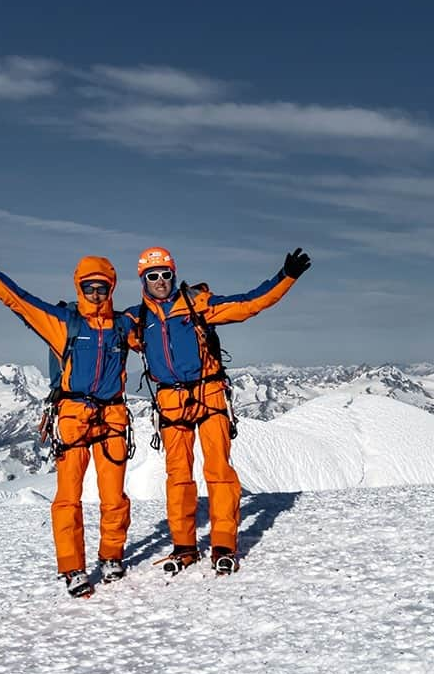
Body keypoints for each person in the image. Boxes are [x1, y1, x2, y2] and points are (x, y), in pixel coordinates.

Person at [0, 223, 132, 599]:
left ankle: (112, 556)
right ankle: (73, 568)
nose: (95, 293)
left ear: (111, 289)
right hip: (72, 416)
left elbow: (169, 326)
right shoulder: (63, 323)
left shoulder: (124, 325)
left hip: (112, 417)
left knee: (114, 498)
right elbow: (14, 297)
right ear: (78, 287)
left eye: (102, 287)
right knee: (68, 499)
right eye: (88, 287)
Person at [124, 245, 311, 575]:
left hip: (209, 397)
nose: (161, 281)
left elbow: (249, 304)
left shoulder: (199, 305)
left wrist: (285, 277)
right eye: (153, 275)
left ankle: (223, 543)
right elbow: (97, 335)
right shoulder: (136, 320)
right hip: (170, 405)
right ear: (143, 279)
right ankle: (184, 546)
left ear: (174, 274)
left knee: (219, 472)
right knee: (178, 477)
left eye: (166, 274)